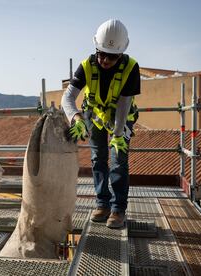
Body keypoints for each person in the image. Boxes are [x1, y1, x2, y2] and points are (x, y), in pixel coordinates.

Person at [62, 19, 140, 228]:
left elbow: (124, 103)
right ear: (96, 47)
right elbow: (67, 98)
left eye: (111, 56)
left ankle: (117, 209)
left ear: (121, 54)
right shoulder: (87, 65)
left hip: (121, 119)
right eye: (101, 53)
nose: (105, 60)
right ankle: (102, 204)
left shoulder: (131, 67)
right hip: (94, 116)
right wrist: (76, 117)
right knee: (98, 159)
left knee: (118, 162)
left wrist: (117, 134)